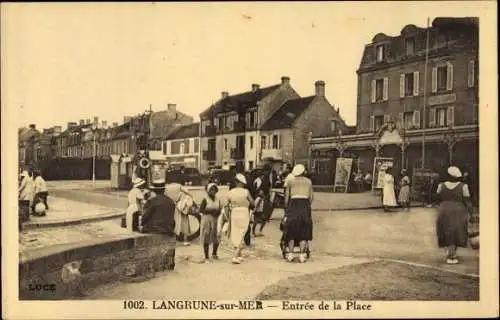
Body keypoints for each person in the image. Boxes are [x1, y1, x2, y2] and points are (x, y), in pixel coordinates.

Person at [435, 166, 474, 264]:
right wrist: (471, 213)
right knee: (457, 231)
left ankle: (450, 252)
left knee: (446, 231)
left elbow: (437, 197)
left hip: (444, 209)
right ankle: (452, 254)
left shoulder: (441, 185)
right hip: (459, 210)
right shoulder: (463, 186)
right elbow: (467, 201)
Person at [283, 164, 313, 263]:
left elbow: (286, 198)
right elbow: (311, 197)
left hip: (293, 204)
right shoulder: (308, 182)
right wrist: (306, 206)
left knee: (291, 230)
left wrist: (287, 210)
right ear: (303, 171)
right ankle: (301, 256)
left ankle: (290, 254)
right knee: (303, 230)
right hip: (304, 205)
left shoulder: (290, 181)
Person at [225, 173, 255, 264]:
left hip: (234, 212)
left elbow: (226, 205)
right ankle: (235, 255)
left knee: (235, 233)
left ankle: (239, 255)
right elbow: (253, 203)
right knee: (242, 233)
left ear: (235, 182)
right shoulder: (246, 192)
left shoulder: (230, 192)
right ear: (242, 183)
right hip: (244, 212)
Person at [199, 183, 222, 263]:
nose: (213, 191)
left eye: (214, 189)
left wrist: (217, 212)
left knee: (216, 237)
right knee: (206, 237)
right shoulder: (205, 199)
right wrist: (210, 211)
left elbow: (220, 209)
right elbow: (201, 210)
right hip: (207, 220)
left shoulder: (218, 199)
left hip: (215, 220)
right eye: (211, 189)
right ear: (208, 190)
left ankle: (214, 254)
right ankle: (206, 257)